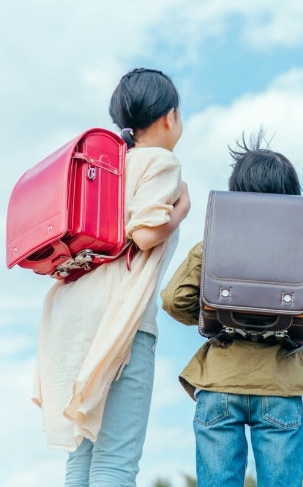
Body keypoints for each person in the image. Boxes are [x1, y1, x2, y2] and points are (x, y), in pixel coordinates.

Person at [161, 131, 303, 487]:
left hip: (218, 384)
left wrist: (216, 315)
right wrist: (299, 312)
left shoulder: (214, 243)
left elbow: (174, 299)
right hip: (282, 384)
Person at [32, 68, 190, 487]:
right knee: (115, 463)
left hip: (71, 317)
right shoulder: (161, 161)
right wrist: (180, 212)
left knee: (80, 463)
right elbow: (146, 232)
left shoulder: (105, 167)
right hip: (120, 319)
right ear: (170, 116)